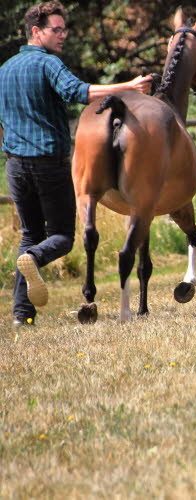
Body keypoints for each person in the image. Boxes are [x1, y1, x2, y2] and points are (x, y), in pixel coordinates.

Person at [0, 2, 153, 328]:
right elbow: (79, 92)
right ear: (36, 32)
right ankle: (34, 260)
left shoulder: (5, 69)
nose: (63, 35)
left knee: (30, 234)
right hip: (49, 164)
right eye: (56, 29)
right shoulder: (47, 64)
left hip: (14, 165)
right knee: (62, 238)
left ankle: (21, 314)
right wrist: (129, 86)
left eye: (64, 29)